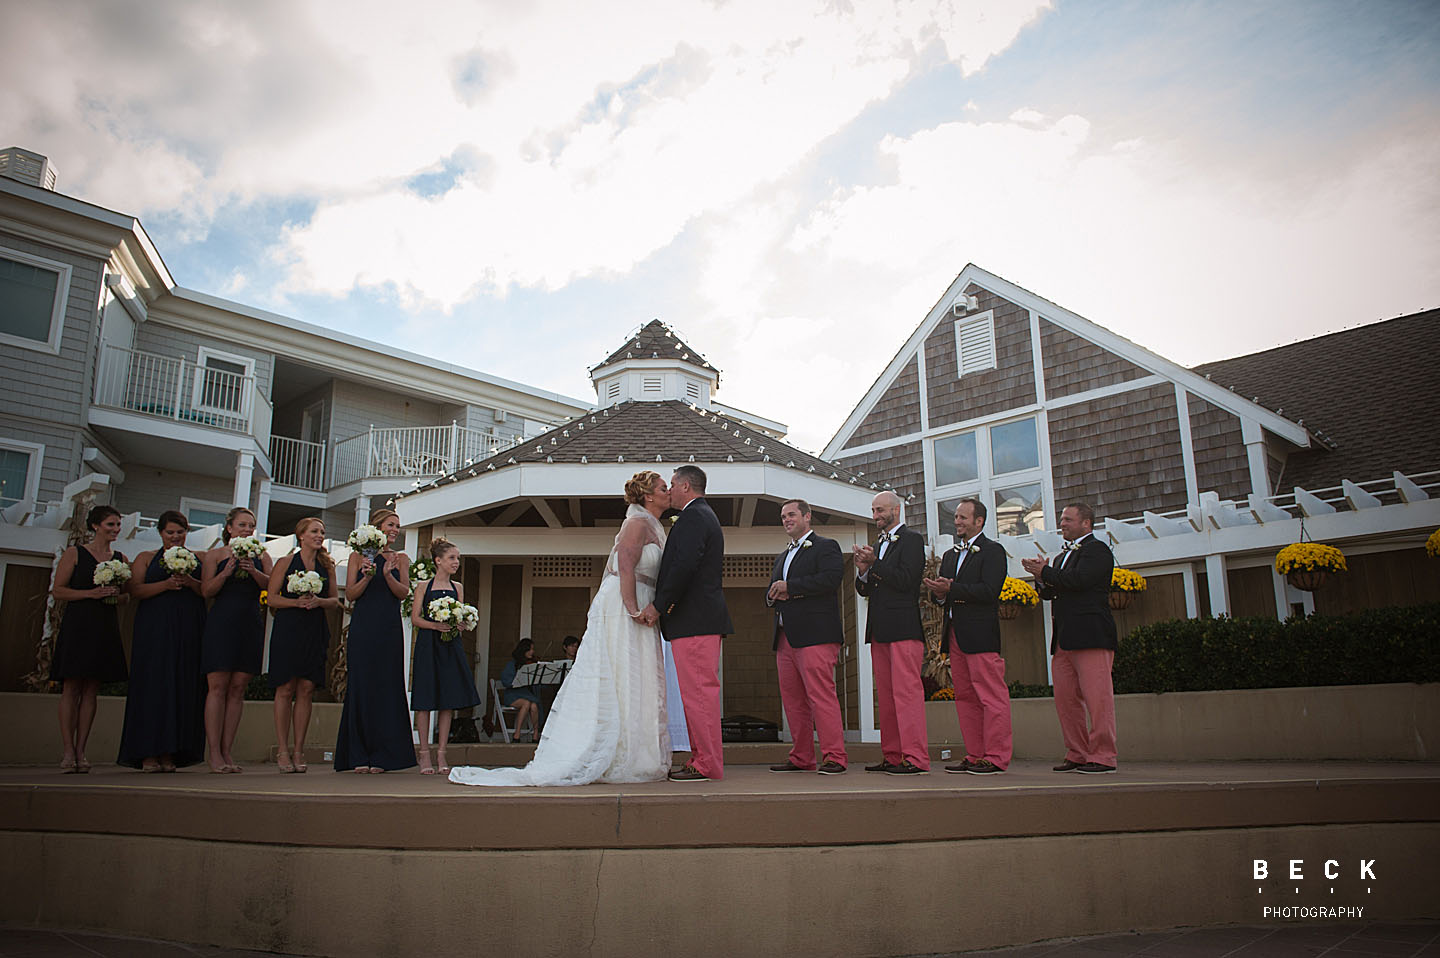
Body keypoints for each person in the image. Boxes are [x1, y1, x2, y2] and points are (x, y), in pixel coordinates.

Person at [450, 471, 673, 787]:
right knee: (624, 675)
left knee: (638, 678)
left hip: (642, 601)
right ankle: (616, 752)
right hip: (625, 604)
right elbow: (625, 565)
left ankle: (638, 752)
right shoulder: (636, 523)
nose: (669, 492)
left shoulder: (654, 525)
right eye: (664, 488)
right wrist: (631, 607)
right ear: (648, 495)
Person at [642, 465, 732, 782]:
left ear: (684, 485)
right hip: (696, 620)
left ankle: (706, 763)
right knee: (696, 694)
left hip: (695, 620)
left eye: (673, 484)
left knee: (699, 694)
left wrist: (659, 605)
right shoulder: (699, 515)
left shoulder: (695, 517)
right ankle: (701, 758)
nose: (670, 490)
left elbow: (683, 566)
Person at [1021, 501, 1119, 774]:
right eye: (1062, 520)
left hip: (1091, 636)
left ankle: (1103, 755)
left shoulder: (1097, 550)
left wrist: (1046, 573)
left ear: (1086, 523)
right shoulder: (1062, 556)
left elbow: (1079, 581)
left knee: (1098, 698)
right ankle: (1077, 752)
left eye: (1067, 520)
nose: (1062, 524)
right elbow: (1051, 592)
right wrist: (1041, 579)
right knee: (1066, 699)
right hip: (1064, 639)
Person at [923, 498, 1011, 775]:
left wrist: (952, 588)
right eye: (956, 517)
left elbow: (989, 591)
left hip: (981, 635)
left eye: (963, 517)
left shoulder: (993, 552)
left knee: (991, 697)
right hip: (956, 635)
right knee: (965, 698)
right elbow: (946, 595)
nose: (957, 521)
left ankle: (996, 757)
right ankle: (975, 754)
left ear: (979, 521)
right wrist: (939, 594)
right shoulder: (950, 556)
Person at [117, 510, 207, 772]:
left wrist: (190, 582)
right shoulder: (146, 558)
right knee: (153, 686)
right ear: (160, 533)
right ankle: (147, 753)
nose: (176, 537)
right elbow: (134, 590)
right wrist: (165, 585)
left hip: (188, 627)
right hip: (154, 629)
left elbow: (208, 591)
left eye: (180, 532)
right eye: (170, 533)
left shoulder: (197, 558)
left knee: (182, 685)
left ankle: (171, 753)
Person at [766, 499, 848, 775]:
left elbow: (831, 579)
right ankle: (801, 756)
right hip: (784, 635)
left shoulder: (826, 547)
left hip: (816, 634)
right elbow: (774, 591)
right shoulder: (781, 556)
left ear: (807, 517)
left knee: (821, 695)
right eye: (783, 516)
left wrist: (792, 587)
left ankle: (835, 756)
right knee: (793, 700)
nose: (786, 520)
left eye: (791, 515)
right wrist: (772, 594)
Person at [334, 509, 418, 774]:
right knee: (361, 685)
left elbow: (403, 593)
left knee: (386, 686)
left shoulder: (400, 558)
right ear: (376, 528)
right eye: (390, 524)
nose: (395, 529)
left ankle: (385, 756)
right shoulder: (358, 556)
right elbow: (351, 594)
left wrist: (389, 574)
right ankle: (358, 754)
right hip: (363, 627)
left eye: (397, 525)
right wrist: (368, 575)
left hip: (389, 629)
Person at [853, 490, 929, 774]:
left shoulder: (911, 540)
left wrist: (876, 564)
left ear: (896, 511)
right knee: (885, 696)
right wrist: (863, 571)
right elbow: (865, 590)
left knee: (906, 694)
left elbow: (908, 581)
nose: (875, 516)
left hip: (904, 628)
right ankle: (893, 755)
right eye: (873, 511)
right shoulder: (878, 544)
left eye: (880, 510)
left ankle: (916, 758)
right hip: (880, 629)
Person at [50, 504, 129, 773]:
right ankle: (67, 751)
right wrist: (89, 594)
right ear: (96, 525)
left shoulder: (119, 557)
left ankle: (82, 750)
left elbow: (127, 596)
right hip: (78, 624)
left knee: (91, 689)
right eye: (111, 525)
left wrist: (115, 596)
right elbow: (58, 591)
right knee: (71, 687)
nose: (116, 529)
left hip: (104, 625)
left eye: (118, 525)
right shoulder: (76, 553)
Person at [199, 506, 272, 773]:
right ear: (229, 528)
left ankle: (228, 751)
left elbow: (270, 585)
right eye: (242, 525)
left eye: (251, 526)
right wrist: (227, 570)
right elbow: (206, 590)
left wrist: (252, 570)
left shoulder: (261, 555)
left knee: (239, 686)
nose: (247, 529)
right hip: (222, 621)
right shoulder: (214, 555)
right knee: (217, 685)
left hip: (249, 620)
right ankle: (214, 753)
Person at [266, 517, 338, 773]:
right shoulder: (285, 563)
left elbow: (334, 601)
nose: (320, 536)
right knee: (285, 688)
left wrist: (319, 601)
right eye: (315, 532)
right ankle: (283, 751)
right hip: (289, 628)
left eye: (322, 532)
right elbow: (271, 598)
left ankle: (299, 750)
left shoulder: (326, 565)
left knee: (306, 688)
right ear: (301, 536)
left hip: (314, 628)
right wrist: (295, 602)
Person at [410, 537, 481, 775]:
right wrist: (434, 626)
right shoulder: (423, 586)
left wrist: (461, 623)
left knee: (447, 700)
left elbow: (460, 615)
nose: (456, 562)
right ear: (438, 560)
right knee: (425, 700)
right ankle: (423, 753)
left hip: (450, 646)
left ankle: (441, 752)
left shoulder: (457, 587)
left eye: (458, 558)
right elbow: (415, 618)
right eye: (452, 558)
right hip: (429, 645)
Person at [499, 639, 543, 742]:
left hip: (526, 694)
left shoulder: (531, 664)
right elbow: (506, 680)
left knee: (534, 705)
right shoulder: (512, 664)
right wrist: (517, 681)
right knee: (527, 703)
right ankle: (517, 734)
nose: (532, 652)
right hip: (513, 695)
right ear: (523, 650)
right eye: (529, 649)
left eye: (533, 649)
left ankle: (535, 734)